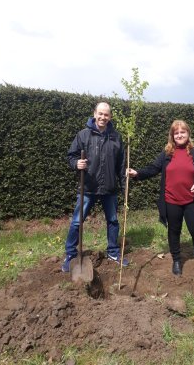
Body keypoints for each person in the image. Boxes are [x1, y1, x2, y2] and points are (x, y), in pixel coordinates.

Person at [128, 120, 194, 276]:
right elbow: (153, 169)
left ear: (188, 134)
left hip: (192, 201)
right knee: (174, 231)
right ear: (172, 136)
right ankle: (177, 260)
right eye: (176, 133)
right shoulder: (167, 154)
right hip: (171, 200)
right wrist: (137, 173)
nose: (179, 135)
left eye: (182, 132)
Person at [62, 102, 128, 272]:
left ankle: (113, 251)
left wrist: (124, 187)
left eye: (106, 115)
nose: (103, 117)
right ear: (94, 114)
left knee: (113, 221)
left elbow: (121, 165)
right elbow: (71, 156)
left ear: (110, 117)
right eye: (100, 114)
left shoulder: (116, 137)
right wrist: (77, 163)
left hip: (109, 189)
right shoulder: (83, 135)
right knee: (77, 221)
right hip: (88, 187)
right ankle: (70, 254)